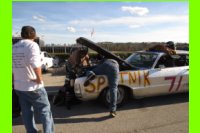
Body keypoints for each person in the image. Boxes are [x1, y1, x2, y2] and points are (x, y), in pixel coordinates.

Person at [12, 26, 54, 133]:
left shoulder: (13, 47)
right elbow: (36, 65)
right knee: (45, 110)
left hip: (19, 87)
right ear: (34, 35)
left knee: (26, 112)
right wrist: (39, 80)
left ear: (21, 35)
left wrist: (13, 81)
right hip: (33, 86)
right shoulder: (32, 45)